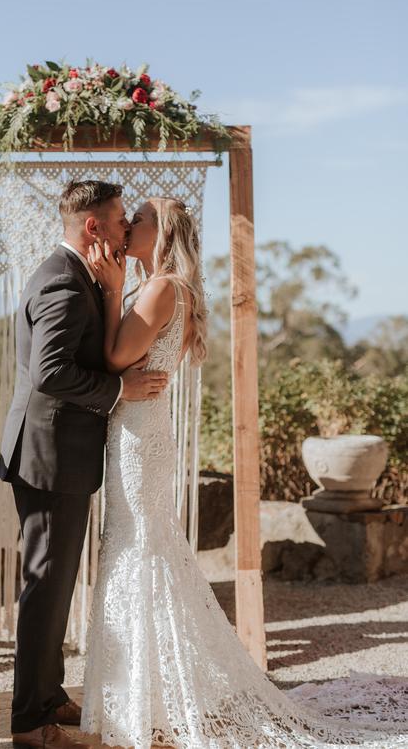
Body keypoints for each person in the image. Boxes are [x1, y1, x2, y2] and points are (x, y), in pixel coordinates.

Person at [81, 196, 408, 749]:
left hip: (139, 438)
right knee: (141, 548)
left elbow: (116, 359)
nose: (127, 226)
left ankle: (146, 698)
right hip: (139, 430)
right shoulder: (160, 286)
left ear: (160, 233)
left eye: (137, 219)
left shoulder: (159, 288)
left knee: (137, 550)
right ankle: (148, 694)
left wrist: (111, 289)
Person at [0, 181, 169, 749]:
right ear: (93, 227)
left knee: (55, 580)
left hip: (59, 450)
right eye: (120, 220)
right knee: (45, 585)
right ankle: (30, 723)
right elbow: (48, 372)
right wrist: (119, 388)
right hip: (49, 455)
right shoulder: (66, 283)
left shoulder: (76, 274)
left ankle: (48, 696)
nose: (125, 229)